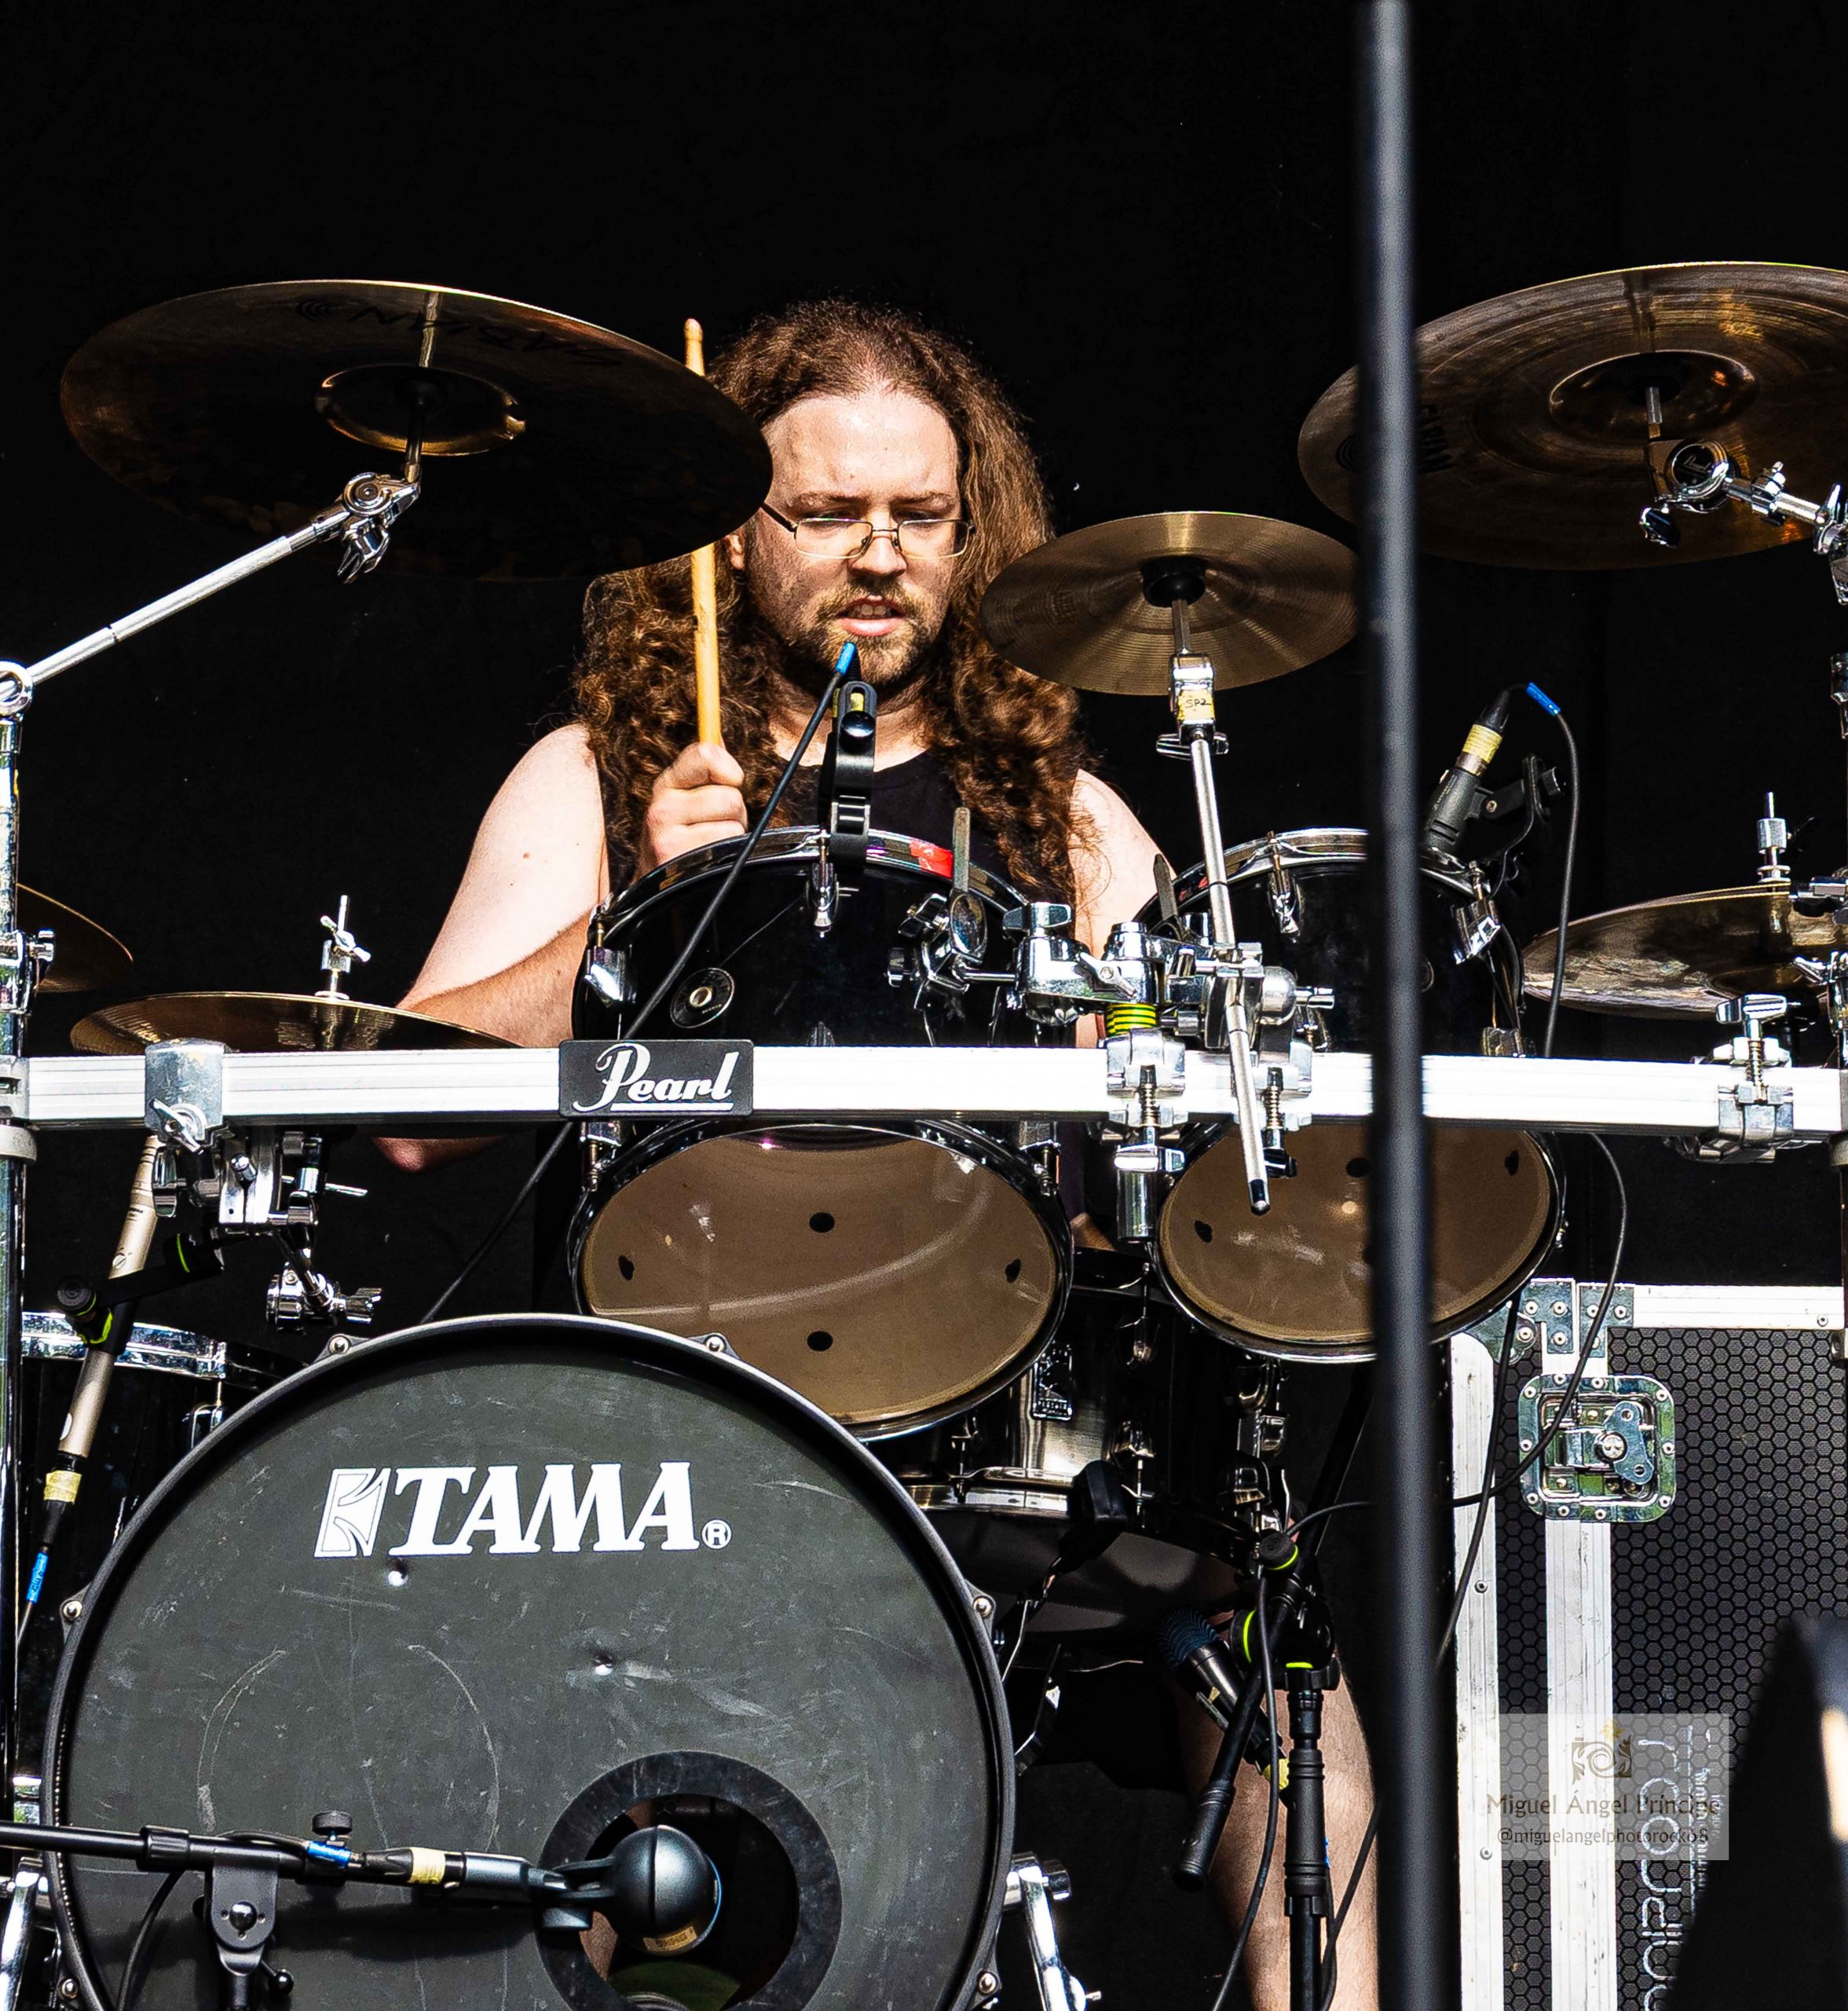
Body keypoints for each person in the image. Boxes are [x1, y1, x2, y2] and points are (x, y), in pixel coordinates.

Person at [380, 298, 1376, 2008]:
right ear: (731, 534)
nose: (879, 554)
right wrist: (640, 909)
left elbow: (1179, 1117)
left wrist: (1127, 1074)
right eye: (828, 512)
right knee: (595, 1815)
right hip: (685, 1423)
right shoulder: (607, 778)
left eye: (919, 514)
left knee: (1290, 1702)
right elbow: (407, 1109)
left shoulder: (1053, 807)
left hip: (992, 1405)